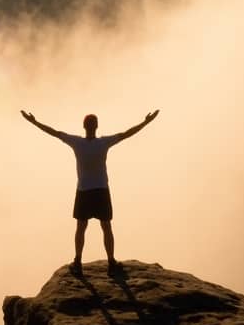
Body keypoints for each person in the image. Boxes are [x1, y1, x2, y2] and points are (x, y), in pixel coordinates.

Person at [20, 108, 159, 274]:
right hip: (101, 189)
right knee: (106, 226)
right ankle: (111, 262)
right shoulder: (103, 143)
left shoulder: (77, 143)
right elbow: (127, 133)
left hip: (84, 190)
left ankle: (78, 261)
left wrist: (34, 122)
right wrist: (146, 122)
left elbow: (54, 132)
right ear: (97, 126)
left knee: (81, 227)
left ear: (84, 126)